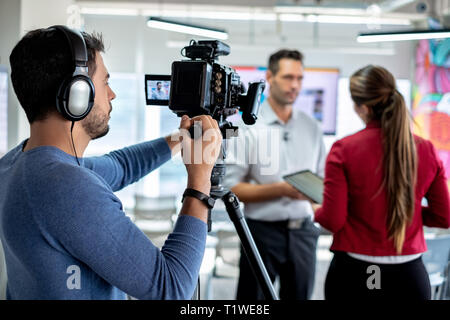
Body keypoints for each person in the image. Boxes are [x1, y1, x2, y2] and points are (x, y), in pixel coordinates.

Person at [0, 26, 222, 299]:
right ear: (77, 94)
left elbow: (120, 166)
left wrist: (179, 138)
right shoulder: (66, 186)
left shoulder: (17, 163)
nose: (112, 94)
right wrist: (199, 183)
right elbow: (172, 288)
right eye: (105, 82)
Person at [311, 65, 450, 300]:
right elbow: (444, 216)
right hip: (409, 276)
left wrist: (315, 209)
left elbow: (333, 220)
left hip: (354, 272)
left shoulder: (344, 150)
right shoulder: (425, 149)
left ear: (362, 108)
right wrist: (407, 211)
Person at [224, 49, 325, 300]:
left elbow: (324, 184)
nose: (295, 85)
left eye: (300, 78)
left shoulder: (311, 127)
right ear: (270, 77)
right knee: (253, 303)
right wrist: (282, 190)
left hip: (304, 233)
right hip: (260, 233)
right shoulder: (246, 126)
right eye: (288, 77)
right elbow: (231, 188)